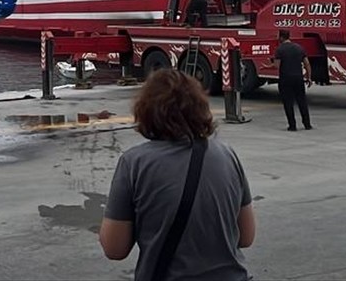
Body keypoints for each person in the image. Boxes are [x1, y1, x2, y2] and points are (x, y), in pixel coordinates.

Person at [99, 68, 255, 281]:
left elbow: (114, 248)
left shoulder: (134, 163)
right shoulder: (227, 155)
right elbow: (246, 236)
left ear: (145, 111)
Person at [263, 29, 312, 131]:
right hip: (298, 78)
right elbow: (307, 64)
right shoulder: (299, 48)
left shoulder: (280, 50)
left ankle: (292, 125)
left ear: (281, 37)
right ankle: (307, 124)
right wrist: (309, 77)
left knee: (288, 103)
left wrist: (267, 66)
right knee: (302, 101)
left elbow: (276, 66)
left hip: (286, 79)